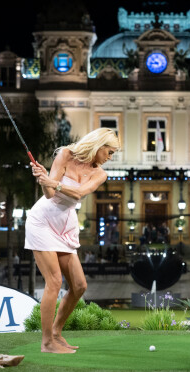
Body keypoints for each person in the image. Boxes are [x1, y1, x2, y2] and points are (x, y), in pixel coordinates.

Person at [25, 127, 120, 354]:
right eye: (109, 151)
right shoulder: (66, 154)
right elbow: (49, 195)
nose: (110, 157)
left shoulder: (100, 173)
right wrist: (43, 180)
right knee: (55, 282)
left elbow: (78, 194)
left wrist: (51, 181)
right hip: (42, 222)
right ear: (98, 145)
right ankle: (47, 342)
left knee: (79, 286)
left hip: (65, 224)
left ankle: (57, 332)